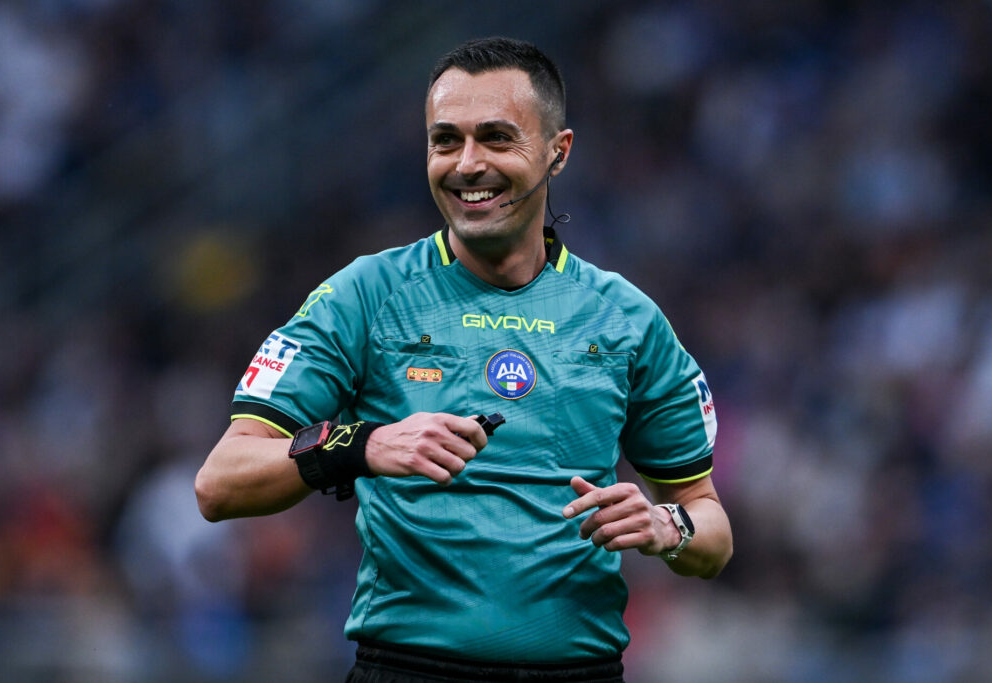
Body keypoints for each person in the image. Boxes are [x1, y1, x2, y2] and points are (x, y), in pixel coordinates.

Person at [196, 36, 733, 683]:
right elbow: (221, 481)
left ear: (558, 151)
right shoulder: (365, 296)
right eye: (445, 141)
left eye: (497, 138)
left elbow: (711, 528)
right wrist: (363, 443)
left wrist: (667, 524)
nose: (467, 164)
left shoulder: (628, 318)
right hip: (407, 670)